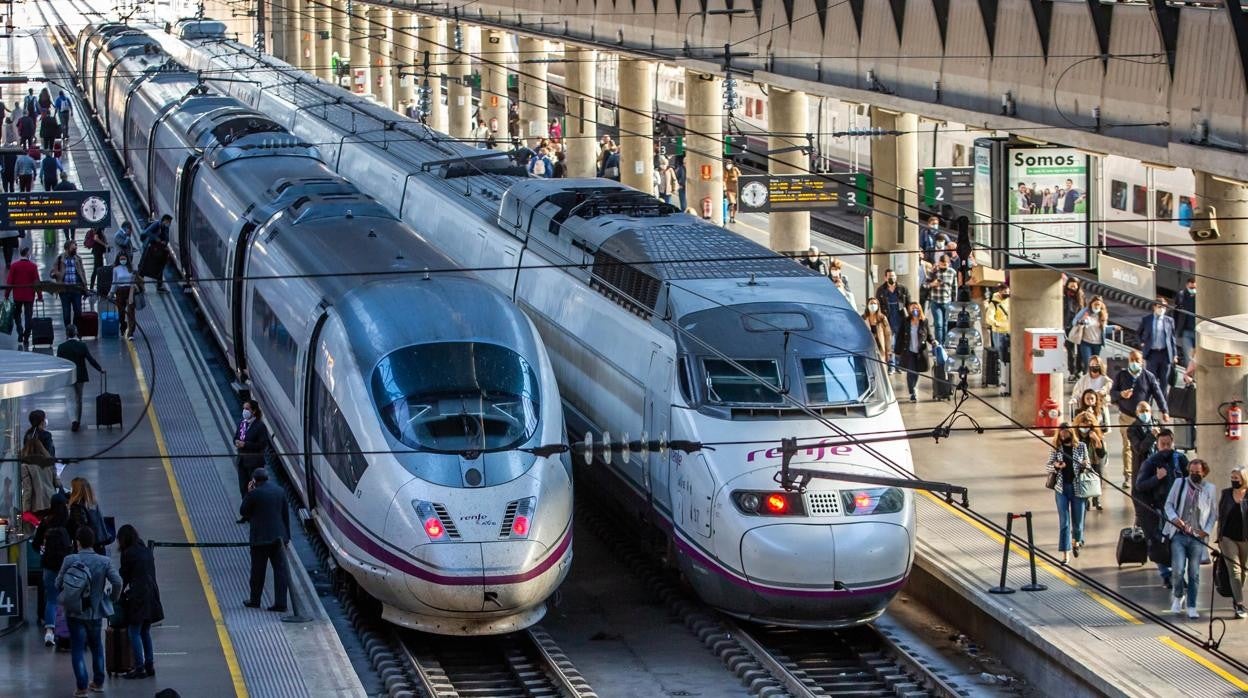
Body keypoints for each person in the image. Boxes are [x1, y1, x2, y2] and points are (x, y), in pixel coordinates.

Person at [57, 526, 122, 697]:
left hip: (74, 612)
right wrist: (113, 598)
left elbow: (57, 583)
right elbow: (117, 582)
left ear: (77, 542)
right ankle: (99, 682)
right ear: (93, 542)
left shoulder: (69, 560)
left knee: (77, 648)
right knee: (97, 646)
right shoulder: (104, 561)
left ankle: (81, 687)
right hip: (95, 612)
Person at [1163, 459, 1216, 618]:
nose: (1193, 475)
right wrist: (1175, 519)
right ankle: (1178, 596)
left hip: (1196, 538)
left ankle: (1192, 605)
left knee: (1194, 574)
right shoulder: (1179, 483)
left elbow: (1213, 514)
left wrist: (1205, 531)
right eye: (1191, 472)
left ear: (1204, 472)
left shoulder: (1210, 489)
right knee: (1178, 570)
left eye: (1197, 472)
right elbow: (1168, 505)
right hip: (1179, 535)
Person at [1111, 349, 1170, 488]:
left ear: (1142, 361)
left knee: (1147, 444)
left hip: (1144, 419)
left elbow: (1158, 394)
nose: (1134, 363)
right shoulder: (1122, 375)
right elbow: (1112, 393)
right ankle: (1128, 474)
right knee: (1128, 446)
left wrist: (1164, 411)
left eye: (1137, 360)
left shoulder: (1148, 376)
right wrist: (1121, 394)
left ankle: (1148, 471)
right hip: (1127, 416)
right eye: (1132, 360)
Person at [1137, 427, 1187, 588]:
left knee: (1180, 543)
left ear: (1173, 443)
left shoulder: (1181, 459)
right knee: (1161, 543)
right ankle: (1166, 574)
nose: (1165, 447)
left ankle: (1179, 575)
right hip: (1160, 509)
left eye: (1168, 443)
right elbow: (1140, 486)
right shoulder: (1150, 462)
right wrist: (1156, 479)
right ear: (1157, 445)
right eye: (1162, 444)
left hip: (1180, 508)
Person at [240, 468, 290, 612]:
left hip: (260, 539)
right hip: (279, 538)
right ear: (267, 478)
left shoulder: (254, 494)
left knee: (257, 571)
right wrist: (287, 538)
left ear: (254, 481)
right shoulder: (279, 491)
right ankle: (281, 603)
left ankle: (255, 600)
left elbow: (243, 511)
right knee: (280, 571)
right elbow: (285, 515)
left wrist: (248, 493)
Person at [116, 524, 163, 678]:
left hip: (138, 596)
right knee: (145, 631)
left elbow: (123, 577)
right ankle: (149, 665)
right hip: (151, 594)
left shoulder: (128, 554)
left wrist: (117, 595)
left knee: (133, 631)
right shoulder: (146, 551)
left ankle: (139, 667)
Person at [1045, 423, 1092, 564]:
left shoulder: (1081, 446)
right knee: (1064, 523)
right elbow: (1047, 465)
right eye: (1061, 433)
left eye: (1066, 433)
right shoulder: (1056, 448)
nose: (1064, 435)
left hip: (1078, 489)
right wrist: (1055, 466)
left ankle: (1077, 541)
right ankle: (1066, 554)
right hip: (1061, 489)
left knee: (1078, 522)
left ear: (1071, 433)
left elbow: (1088, 465)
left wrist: (1085, 465)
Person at [33, 498, 73, 647]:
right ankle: (64, 632)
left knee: (51, 599)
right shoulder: (67, 520)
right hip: (66, 565)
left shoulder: (46, 521)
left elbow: (36, 543)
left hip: (49, 565)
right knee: (66, 598)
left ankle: (49, 631)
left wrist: (43, 552)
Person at [56, 326, 105, 432]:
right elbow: (90, 359)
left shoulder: (61, 347)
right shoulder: (82, 346)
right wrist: (99, 369)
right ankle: (78, 421)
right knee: (79, 399)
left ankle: (73, 421)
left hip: (68, 376)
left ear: (67, 334)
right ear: (76, 333)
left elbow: (59, 364)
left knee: (69, 399)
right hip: (80, 376)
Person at [1216, 468, 1248, 619]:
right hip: (1228, 537)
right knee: (1234, 570)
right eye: (1232, 477)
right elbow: (1221, 515)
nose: (1234, 480)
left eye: (1237, 478)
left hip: (1245, 538)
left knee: (1243, 570)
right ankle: (1239, 603)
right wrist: (1219, 536)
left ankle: (1237, 596)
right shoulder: (1226, 494)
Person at [894, 301, 933, 402]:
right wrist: (897, 350)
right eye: (912, 308)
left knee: (916, 372)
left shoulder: (924, 321)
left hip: (920, 351)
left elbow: (928, 335)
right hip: (909, 351)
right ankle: (912, 391)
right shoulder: (906, 321)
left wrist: (933, 341)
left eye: (916, 308)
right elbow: (900, 336)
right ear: (910, 310)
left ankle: (914, 387)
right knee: (911, 371)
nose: (915, 310)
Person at [1138, 297, 1179, 389]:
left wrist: (1174, 354)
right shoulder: (1147, 320)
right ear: (1154, 307)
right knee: (1151, 379)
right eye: (1160, 307)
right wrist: (1141, 343)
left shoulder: (1169, 321)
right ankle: (1149, 399)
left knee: (1164, 380)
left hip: (1165, 354)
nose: (1162, 309)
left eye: (1164, 307)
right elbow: (1138, 333)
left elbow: (1172, 338)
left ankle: (1163, 401)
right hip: (1152, 354)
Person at [4, 246, 41, 346]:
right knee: (28, 316)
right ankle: (26, 337)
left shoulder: (14, 266)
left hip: (18, 295)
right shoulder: (33, 266)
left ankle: (20, 331)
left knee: (17, 315)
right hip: (29, 296)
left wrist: (7, 295)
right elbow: (36, 282)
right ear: (28, 254)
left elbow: (9, 281)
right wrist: (40, 296)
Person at [235, 400, 271, 501]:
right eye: (243, 409)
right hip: (242, 462)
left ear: (254, 411)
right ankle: (246, 512)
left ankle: (255, 512)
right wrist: (236, 442)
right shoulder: (242, 423)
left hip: (254, 463)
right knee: (243, 488)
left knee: (255, 490)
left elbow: (262, 445)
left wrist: (245, 444)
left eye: (247, 409)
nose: (244, 411)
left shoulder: (260, 426)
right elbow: (236, 437)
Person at [1071, 408, 1106, 510]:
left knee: (1097, 478)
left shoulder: (1095, 435)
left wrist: (1096, 440)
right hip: (1080, 463)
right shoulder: (1075, 437)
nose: (1085, 428)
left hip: (1095, 461)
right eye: (1083, 425)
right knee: (1082, 480)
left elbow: (1102, 454)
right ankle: (1085, 500)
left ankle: (1096, 499)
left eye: (1088, 425)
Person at [51, 239, 87, 332]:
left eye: (75, 247)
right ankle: (68, 331)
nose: (75, 248)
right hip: (64, 290)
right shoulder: (60, 259)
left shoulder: (78, 259)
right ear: (67, 248)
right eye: (73, 247)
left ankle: (74, 330)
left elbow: (82, 273)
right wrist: (54, 274)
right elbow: (52, 271)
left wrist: (85, 287)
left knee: (78, 312)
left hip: (76, 289)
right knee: (66, 313)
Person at [68, 477, 111, 554]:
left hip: (86, 546)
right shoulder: (93, 503)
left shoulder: (77, 506)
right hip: (99, 542)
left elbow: (80, 526)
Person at [1070, 296, 1110, 376]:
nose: (1096, 306)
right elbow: (1074, 322)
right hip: (1086, 342)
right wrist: (1081, 321)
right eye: (1095, 304)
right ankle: (1086, 379)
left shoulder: (1103, 314)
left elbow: (1104, 328)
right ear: (1091, 304)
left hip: (1097, 343)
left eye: (1098, 305)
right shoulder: (1085, 311)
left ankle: (1094, 378)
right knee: (1088, 362)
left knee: (1095, 363)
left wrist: (1113, 328)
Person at [925, 254, 957, 345]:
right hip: (935, 301)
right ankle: (938, 345)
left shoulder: (952, 272)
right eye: (942, 264)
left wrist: (954, 302)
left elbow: (954, 288)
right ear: (939, 263)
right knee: (938, 324)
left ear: (949, 263)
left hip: (947, 301)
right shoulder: (934, 272)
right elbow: (925, 285)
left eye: (946, 264)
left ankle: (944, 344)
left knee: (945, 324)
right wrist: (932, 284)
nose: (944, 266)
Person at [1070, 354, 1112, 424]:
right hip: (1084, 411)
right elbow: (1076, 394)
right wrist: (1074, 399)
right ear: (1089, 366)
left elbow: (1109, 395)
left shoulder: (1106, 380)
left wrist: (1102, 394)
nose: (1094, 366)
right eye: (1092, 364)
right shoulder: (1083, 379)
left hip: (1099, 411)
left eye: (1096, 364)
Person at [139, 214, 172, 293]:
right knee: (143, 266)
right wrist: (156, 238)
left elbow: (166, 238)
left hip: (159, 250)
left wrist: (165, 243)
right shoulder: (156, 224)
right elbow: (147, 232)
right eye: (168, 222)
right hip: (150, 249)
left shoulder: (165, 227)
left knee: (159, 267)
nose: (169, 224)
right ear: (164, 220)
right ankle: (139, 284)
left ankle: (159, 286)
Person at [111, 252, 138, 339]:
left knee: (131, 312)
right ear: (118, 260)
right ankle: (123, 325)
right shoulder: (115, 269)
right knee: (121, 313)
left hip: (130, 291)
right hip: (119, 292)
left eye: (124, 259)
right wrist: (111, 292)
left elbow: (135, 279)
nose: (123, 261)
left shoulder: (131, 268)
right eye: (121, 259)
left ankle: (131, 332)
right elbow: (114, 282)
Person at [1062, 277, 1085, 376]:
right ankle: (1072, 370)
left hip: (1078, 326)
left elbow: (1084, 309)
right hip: (1067, 326)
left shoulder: (1081, 297)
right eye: (1071, 286)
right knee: (1070, 350)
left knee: (1080, 349)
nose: (1072, 288)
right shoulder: (1063, 296)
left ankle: (1079, 369)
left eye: (1074, 286)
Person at [862, 298, 893, 369]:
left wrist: (888, 351)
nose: (873, 305)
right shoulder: (863, 318)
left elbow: (888, 335)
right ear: (867, 305)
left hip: (880, 348)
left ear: (878, 306)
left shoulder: (882, 318)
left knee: (881, 368)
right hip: (868, 348)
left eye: (875, 303)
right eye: (871, 303)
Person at [1173, 277, 1197, 365]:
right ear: (1187, 285)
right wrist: (1176, 328)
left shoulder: (1201, 296)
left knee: (1199, 357)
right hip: (1186, 331)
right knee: (1189, 357)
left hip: (1197, 331)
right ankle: (1190, 377)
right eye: (1191, 288)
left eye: (1194, 288)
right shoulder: (1181, 295)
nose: (1193, 290)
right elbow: (1176, 312)